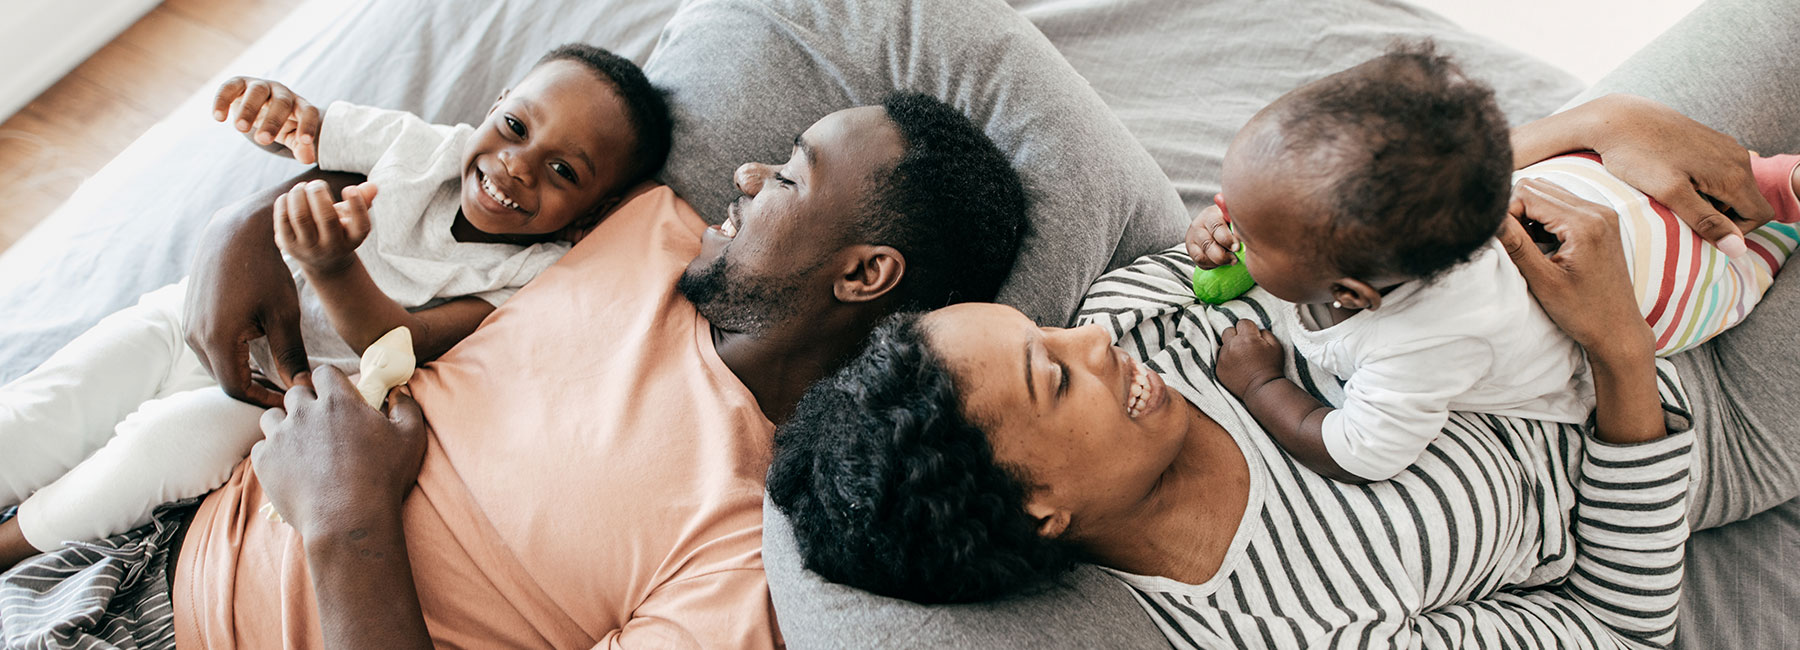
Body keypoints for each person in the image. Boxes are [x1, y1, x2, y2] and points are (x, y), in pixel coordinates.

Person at [0, 91, 1027, 649]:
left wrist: (348, 517)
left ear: (865, 272)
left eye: (792, 174)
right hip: (146, 526)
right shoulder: (646, 228)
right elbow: (447, 192)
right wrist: (252, 229)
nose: (749, 172)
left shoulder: (749, 549)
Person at [768, 95, 1800, 648]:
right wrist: (1619, 350)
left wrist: (1595, 126)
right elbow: (1616, 628)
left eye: (1047, 331)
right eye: (1056, 378)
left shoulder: (1138, 318)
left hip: (1548, 212)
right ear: (1038, 504)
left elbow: (1329, 226)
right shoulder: (1295, 623)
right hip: (1692, 405)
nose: (1093, 339)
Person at [0, 43, 672, 569]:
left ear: (599, 210)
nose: (517, 166)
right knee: (47, 409)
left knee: (160, 449)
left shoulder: (531, 274)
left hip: (270, 400)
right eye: (515, 125)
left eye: (564, 171)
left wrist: (332, 266)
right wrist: (270, 110)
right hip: (187, 319)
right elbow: (306, 131)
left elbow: (400, 339)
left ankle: (16, 544)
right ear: (494, 105)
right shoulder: (419, 146)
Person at [1179, 43, 1800, 483]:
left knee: (1743, 263)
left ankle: (1771, 235)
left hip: (1666, 290)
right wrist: (1242, 230)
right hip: (1585, 182)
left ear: (1353, 293)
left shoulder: (1418, 346)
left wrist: (1262, 385)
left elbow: (1354, 452)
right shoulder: (1434, 206)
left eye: (1246, 229)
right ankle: (1771, 184)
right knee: (1622, 186)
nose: (1224, 217)